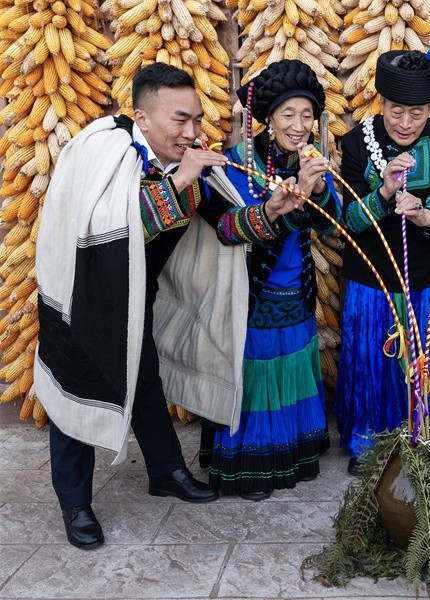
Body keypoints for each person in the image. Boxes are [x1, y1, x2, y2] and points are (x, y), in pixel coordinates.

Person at [35, 63, 285, 549]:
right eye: (179, 120)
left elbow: (226, 228)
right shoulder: (102, 151)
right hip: (82, 296)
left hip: (135, 297)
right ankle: (74, 502)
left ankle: (166, 471)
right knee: (77, 395)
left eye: (196, 120)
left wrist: (270, 212)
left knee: (145, 376)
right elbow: (109, 230)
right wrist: (177, 184)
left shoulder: (187, 163)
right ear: (141, 118)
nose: (192, 132)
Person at [199, 59, 340, 499]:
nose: (299, 126)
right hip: (251, 291)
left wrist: (317, 191)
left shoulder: (310, 159)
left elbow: (330, 226)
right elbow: (226, 227)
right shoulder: (238, 162)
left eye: (307, 115)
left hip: (295, 290)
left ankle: (291, 453)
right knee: (255, 370)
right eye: (288, 115)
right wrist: (276, 207)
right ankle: (252, 465)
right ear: (268, 117)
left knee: (291, 364)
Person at [335, 35, 430, 475]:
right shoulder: (355, 144)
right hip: (373, 278)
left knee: (424, 359)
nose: (406, 123)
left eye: (418, 113)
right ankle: (369, 439)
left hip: (427, 275)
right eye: (396, 111)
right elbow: (349, 217)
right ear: (381, 102)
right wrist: (386, 192)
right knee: (375, 360)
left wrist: (426, 215)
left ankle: (424, 432)